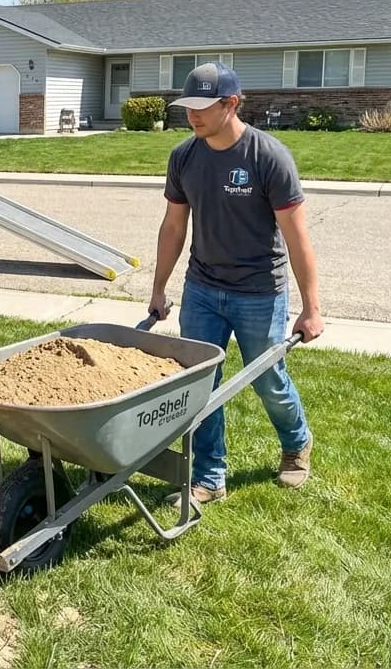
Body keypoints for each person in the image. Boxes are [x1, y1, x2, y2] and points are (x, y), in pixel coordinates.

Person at [148, 61, 323, 505]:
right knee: (201, 382)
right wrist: (158, 288)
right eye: (188, 106)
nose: (193, 115)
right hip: (203, 288)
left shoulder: (268, 157)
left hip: (260, 291)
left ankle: (296, 443)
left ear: (232, 104)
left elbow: (296, 235)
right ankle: (209, 477)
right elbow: (173, 227)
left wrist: (312, 307)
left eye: (203, 107)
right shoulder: (183, 156)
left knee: (267, 381)